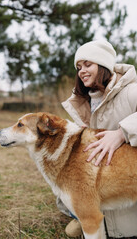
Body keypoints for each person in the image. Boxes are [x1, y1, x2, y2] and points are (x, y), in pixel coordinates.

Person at [58, 40, 137, 238]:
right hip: (98, 185)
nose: (81, 71)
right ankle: (85, 216)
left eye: (88, 64)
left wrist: (122, 133)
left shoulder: (131, 91)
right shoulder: (84, 101)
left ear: (102, 65)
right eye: (78, 67)